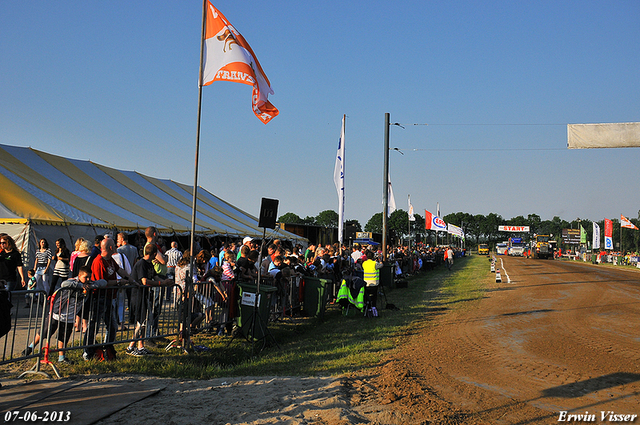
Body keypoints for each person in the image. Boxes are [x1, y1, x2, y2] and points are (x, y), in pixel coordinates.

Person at [84, 238, 130, 361]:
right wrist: (119, 281)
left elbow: (118, 269)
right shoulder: (98, 261)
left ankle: (108, 348)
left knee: (113, 325)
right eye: (114, 245)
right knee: (94, 325)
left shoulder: (110, 260)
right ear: (110, 248)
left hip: (110, 297)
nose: (115, 247)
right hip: (100, 297)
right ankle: (87, 351)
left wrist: (129, 278)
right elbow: (102, 282)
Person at [126, 244, 173, 356]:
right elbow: (144, 281)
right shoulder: (142, 264)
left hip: (145, 294)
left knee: (143, 321)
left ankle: (139, 346)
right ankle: (131, 346)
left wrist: (165, 281)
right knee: (140, 322)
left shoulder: (150, 264)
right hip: (137, 295)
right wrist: (161, 283)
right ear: (154, 254)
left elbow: (155, 276)